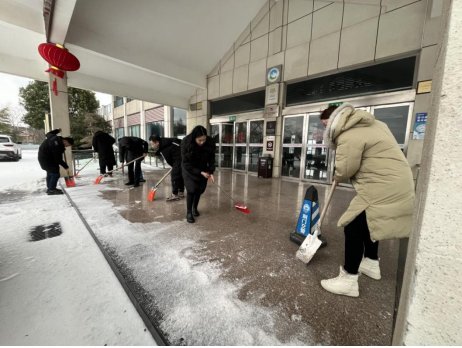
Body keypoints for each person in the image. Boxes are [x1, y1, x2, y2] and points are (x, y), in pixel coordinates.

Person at [319, 103, 415, 297]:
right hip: (397, 182)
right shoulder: (376, 124)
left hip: (382, 186)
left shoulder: (348, 134)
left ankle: (348, 279)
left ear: (335, 119)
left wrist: (337, 174)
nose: (326, 129)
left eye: (325, 124)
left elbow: (346, 169)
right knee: (370, 222)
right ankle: (371, 262)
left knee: (353, 226)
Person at [181, 126, 216, 223]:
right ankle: (189, 213)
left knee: (200, 189)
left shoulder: (209, 143)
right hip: (189, 169)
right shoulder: (186, 143)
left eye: (204, 140)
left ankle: (194, 208)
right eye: (199, 140)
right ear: (194, 138)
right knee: (191, 189)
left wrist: (211, 171)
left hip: (202, 167)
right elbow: (186, 163)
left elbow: (212, 159)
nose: (202, 142)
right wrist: (200, 172)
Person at [38, 128, 74, 195]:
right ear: (65, 141)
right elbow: (58, 158)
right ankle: (51, 189)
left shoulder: (54, 138)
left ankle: (50, 188)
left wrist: (57, 131)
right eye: (67, 145)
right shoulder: (56, 144)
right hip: (47, 159)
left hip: (44, 158)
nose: (66, 146)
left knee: (50, 173)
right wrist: (65, 166)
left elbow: (48, 134)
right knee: (55, 173)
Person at [149, 135, 184, 201]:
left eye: (152, 144)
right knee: (179, 175)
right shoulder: (164, 142)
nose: (151, 146)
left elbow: (169, 160)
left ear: (157, 142)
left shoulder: (164, 149)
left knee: (175, 176)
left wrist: (175, 167)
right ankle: (181, 192)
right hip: (180, 158)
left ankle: (175, 194)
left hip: (180, 159)